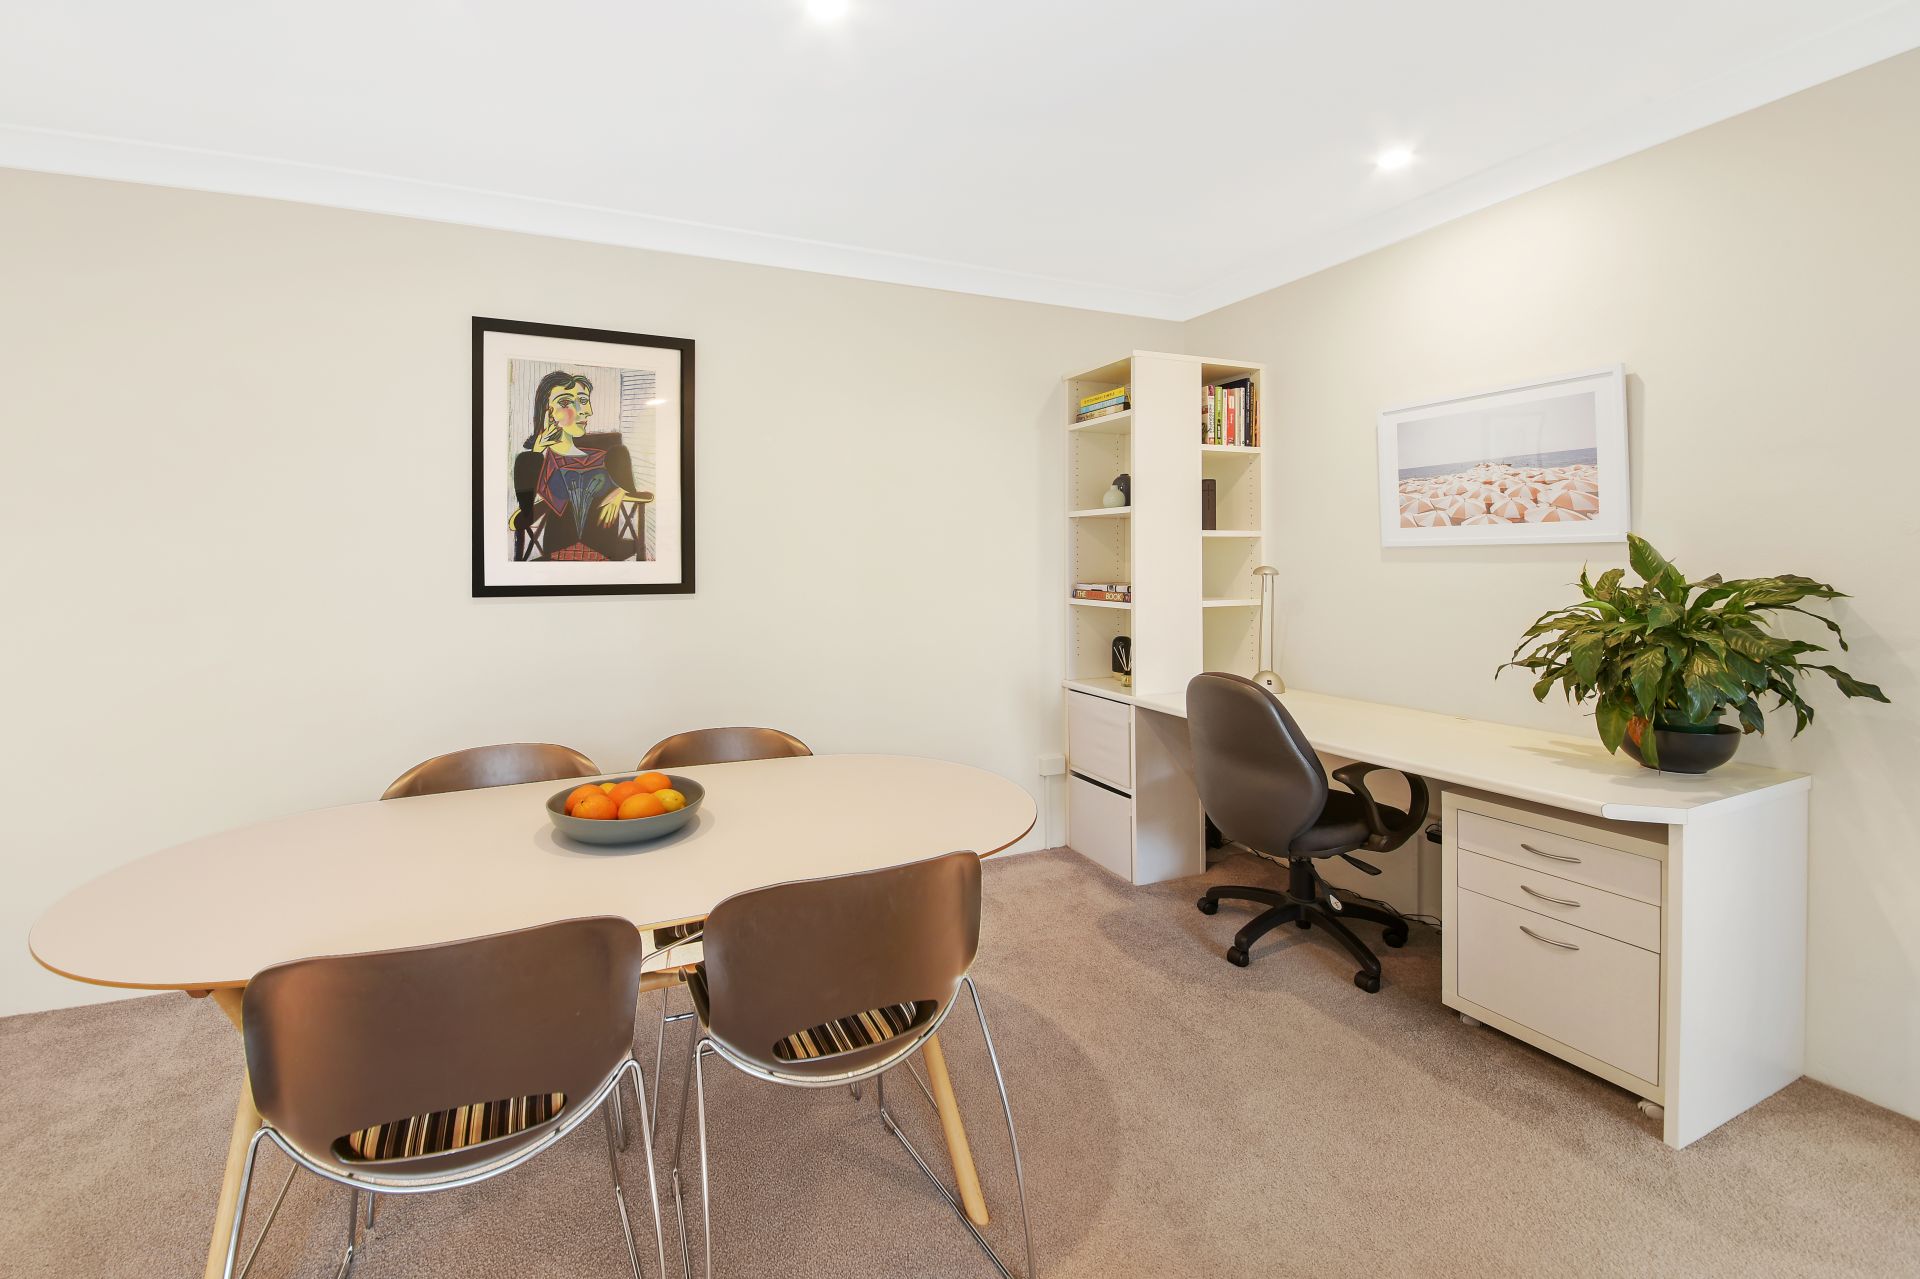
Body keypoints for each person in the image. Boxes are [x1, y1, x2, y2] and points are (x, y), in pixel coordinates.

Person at [510, 370, 640, 561]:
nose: (586, 411)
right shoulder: (535, 460)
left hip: (605, 548)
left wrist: (619, 492)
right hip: (559, 550)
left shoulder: (612, 456)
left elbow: (632, 491)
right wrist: (538, 448)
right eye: (566, 402)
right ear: (547, 412)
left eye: (584, 400)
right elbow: (526, 514)